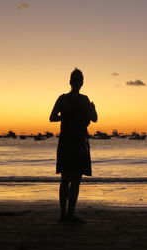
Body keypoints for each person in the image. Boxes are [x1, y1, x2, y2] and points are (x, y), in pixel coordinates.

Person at [50, 68, 98, 223]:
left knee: (65, 179)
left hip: (66, 140)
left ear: (70, 82)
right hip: (78, 141)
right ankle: (69, 215)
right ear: (81, 83)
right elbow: (94, 119)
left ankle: (63, 215)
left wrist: (64, 116)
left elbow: (52, 118)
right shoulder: (84, 99)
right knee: (75, 179)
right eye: (80, 80)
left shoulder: (62, 98)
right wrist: (92, 109)